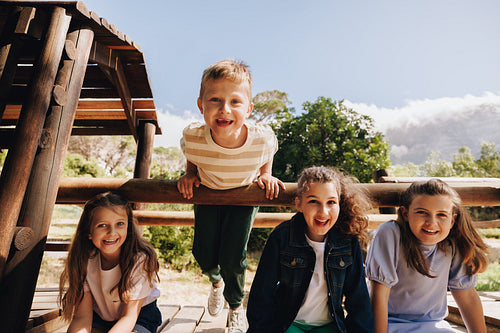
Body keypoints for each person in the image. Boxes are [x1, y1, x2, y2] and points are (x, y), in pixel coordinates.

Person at [177, 59, 285, 332]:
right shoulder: (193, 136)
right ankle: (216, 283)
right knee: (202, 251)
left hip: (243, 197)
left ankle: (235, 307)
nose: (224, 109)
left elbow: (268, 151)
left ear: (248, 109)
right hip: (209, 194)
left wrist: (266, 174)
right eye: (215, 100)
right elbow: (193, 155)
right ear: (201, 105)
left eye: (235, 101)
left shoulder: (261, 138)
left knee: (233, 256)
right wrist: (190, 174)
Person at [247, 166, 374, 333]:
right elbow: (261, 295)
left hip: (329, 326)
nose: (323, 212)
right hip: (288, 325)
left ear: (340, 204)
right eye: (313, 201)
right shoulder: (282, 237)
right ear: (299, 204)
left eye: (331, 202)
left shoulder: (348, 242)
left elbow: (359, 300)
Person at [366, 179, 488, 333]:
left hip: (433, 325)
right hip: (388, 323)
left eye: (442, 215)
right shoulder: (390, 233)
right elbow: (379, 293)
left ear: (452, 220)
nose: (432, 222)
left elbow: (467, 296)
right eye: (422, 212)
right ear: (405, 213)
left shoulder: (453, 242)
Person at [59, 192, 162, 333]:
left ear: (128, 226)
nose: (112, 232)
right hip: (101, 316)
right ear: (88, 231)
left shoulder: (140, 260)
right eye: (102, 225)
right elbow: (82, 318)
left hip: (139, 317)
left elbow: (129, 316)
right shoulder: (84, 260)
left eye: (120, 224)